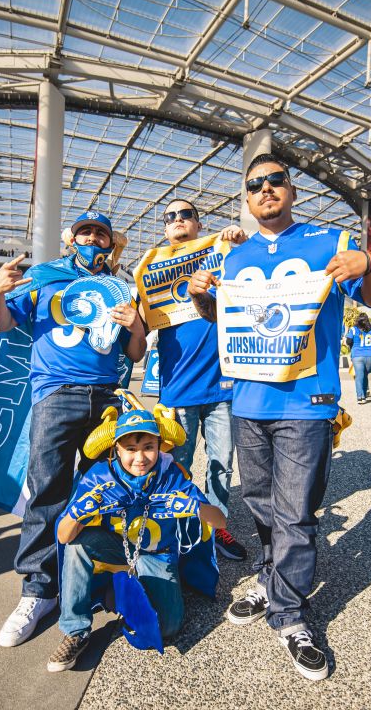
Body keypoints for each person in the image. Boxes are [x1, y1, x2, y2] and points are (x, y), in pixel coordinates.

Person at [187, 153, 371, 681]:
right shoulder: (233, 257)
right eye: (254, 185)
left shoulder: (331, 241)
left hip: (306, 402)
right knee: (256, 502)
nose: (265, 190)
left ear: (292, 190)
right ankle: (270, 575)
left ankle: (289, 614)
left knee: (295, 511)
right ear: (247, 199)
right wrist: (202, 298)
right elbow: (226, 321)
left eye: (275, 180)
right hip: (247, 402)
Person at [0, 210, 146, 649]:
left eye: (101, 233)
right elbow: (1, 324)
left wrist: (135, 326)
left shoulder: (123, 285)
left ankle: (97, 577)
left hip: (107, 397)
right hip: (56, 394)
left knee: (106, 490)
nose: (93, 238)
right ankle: (36, 591)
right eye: (86, 232)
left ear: (111, 243)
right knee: (47, 490)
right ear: (71, 238)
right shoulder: (44, 274)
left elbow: (134, 353)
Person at [48, 409, 226, 671]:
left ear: (159, 446)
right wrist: (78, 513)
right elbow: (64, 536)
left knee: (168, 627)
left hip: (156, 553)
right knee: (78, 544)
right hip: (116, 549)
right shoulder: (99, 477)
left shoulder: (172, 475)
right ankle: (76, 630)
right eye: (130, 448)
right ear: (116, 450)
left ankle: (120, 592)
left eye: (148, 447)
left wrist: (194, 506)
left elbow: (219, 521)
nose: (140, 458)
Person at [141, 198, 249, 561]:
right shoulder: (151, 269)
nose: (177, 220)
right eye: (169, 217)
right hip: (177, 390)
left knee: (222, 465)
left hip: (222, 387)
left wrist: (243, 244)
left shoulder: (225, 259)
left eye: (185, 214)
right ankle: (173, 532)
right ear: (165, 228)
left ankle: (215, 529)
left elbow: (256, 288)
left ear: (199, 224)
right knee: (175, 466)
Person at [345, 314, 371, 403]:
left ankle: (360, 397)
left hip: (357, 354)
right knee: (365, 375)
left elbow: (348, 341)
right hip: (370, 355)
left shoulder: (353, 329)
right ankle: (364, 393)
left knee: (359, 376)